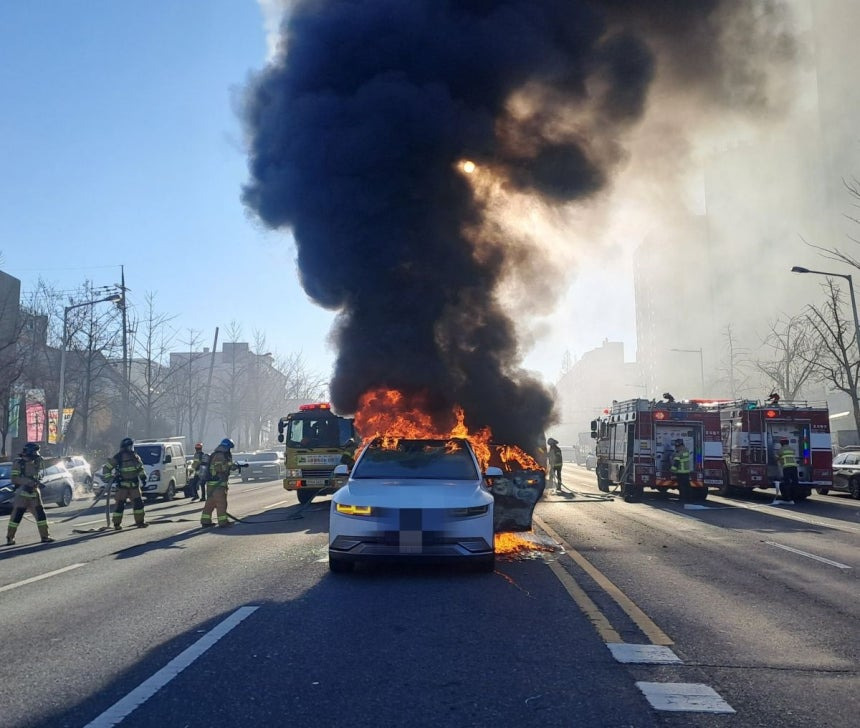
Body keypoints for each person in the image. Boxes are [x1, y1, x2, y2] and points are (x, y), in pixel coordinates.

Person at [6, 442, 54, 545]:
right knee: (16, 517)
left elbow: (48, 463)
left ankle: (45, 536)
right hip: (22, 495)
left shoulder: (37, 462)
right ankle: (10, 537)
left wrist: (61, 460)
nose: (35, 457)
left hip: (34, 494)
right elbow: (14, 479)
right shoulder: (18, 464)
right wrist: (28, 482)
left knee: (41, 516)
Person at [103, 437, 148, 530]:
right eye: (130, 446)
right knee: (120, 505)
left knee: (139, 505)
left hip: (134, 486)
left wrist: (143, 476)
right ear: (125, 447)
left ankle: (140, 522)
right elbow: (106, 468)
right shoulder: (118, 457)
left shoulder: (135, 457)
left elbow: (140, 468)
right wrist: (110, 478)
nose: (131, 448)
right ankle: (116, 524)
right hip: (122, 486)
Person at [201, 438, 237, 528]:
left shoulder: (215, 454)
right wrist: (231, 466)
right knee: (221, 503)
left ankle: (205, 521)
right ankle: (223, 522)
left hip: (211, 484)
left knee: (210, 503)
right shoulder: (220, 455)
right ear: (227, 447)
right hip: (218, 484)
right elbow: (219, 468)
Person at [776, 437, 798, 503]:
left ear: (781, 443)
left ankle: (787, 498)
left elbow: (776, 458)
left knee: (787, 483)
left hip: (786, 468)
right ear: (788, 442)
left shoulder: (781, 450)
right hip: (794, 467)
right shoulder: (792, 449)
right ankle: (794, 497)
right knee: (795, 482)